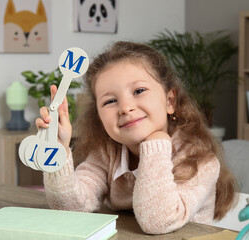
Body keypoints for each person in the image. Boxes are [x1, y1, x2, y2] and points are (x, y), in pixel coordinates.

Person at [36, 41, 237, 234]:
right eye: (110, 101)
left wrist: (156, 144)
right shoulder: (106, 154)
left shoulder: (199, 160)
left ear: (170, 101)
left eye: (139, 91)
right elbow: (70, 208)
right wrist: (59, 150)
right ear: (99, 118)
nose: (125, 107)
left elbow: (158, 222)